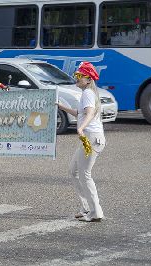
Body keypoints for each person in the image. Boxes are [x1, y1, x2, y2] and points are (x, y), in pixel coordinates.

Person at [57, 62, 105, 222]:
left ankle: (95, 212)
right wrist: (61, 106)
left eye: (80, 76)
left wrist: (81, 128)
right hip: (90, 137)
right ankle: (86, 208)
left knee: (85, 174)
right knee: (73, 171)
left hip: (91, 137)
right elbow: (80, 113)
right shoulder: (88, 93)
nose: (76, 78)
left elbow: (89, 113)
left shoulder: (88, 93)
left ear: (89, 79)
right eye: (77, 75)